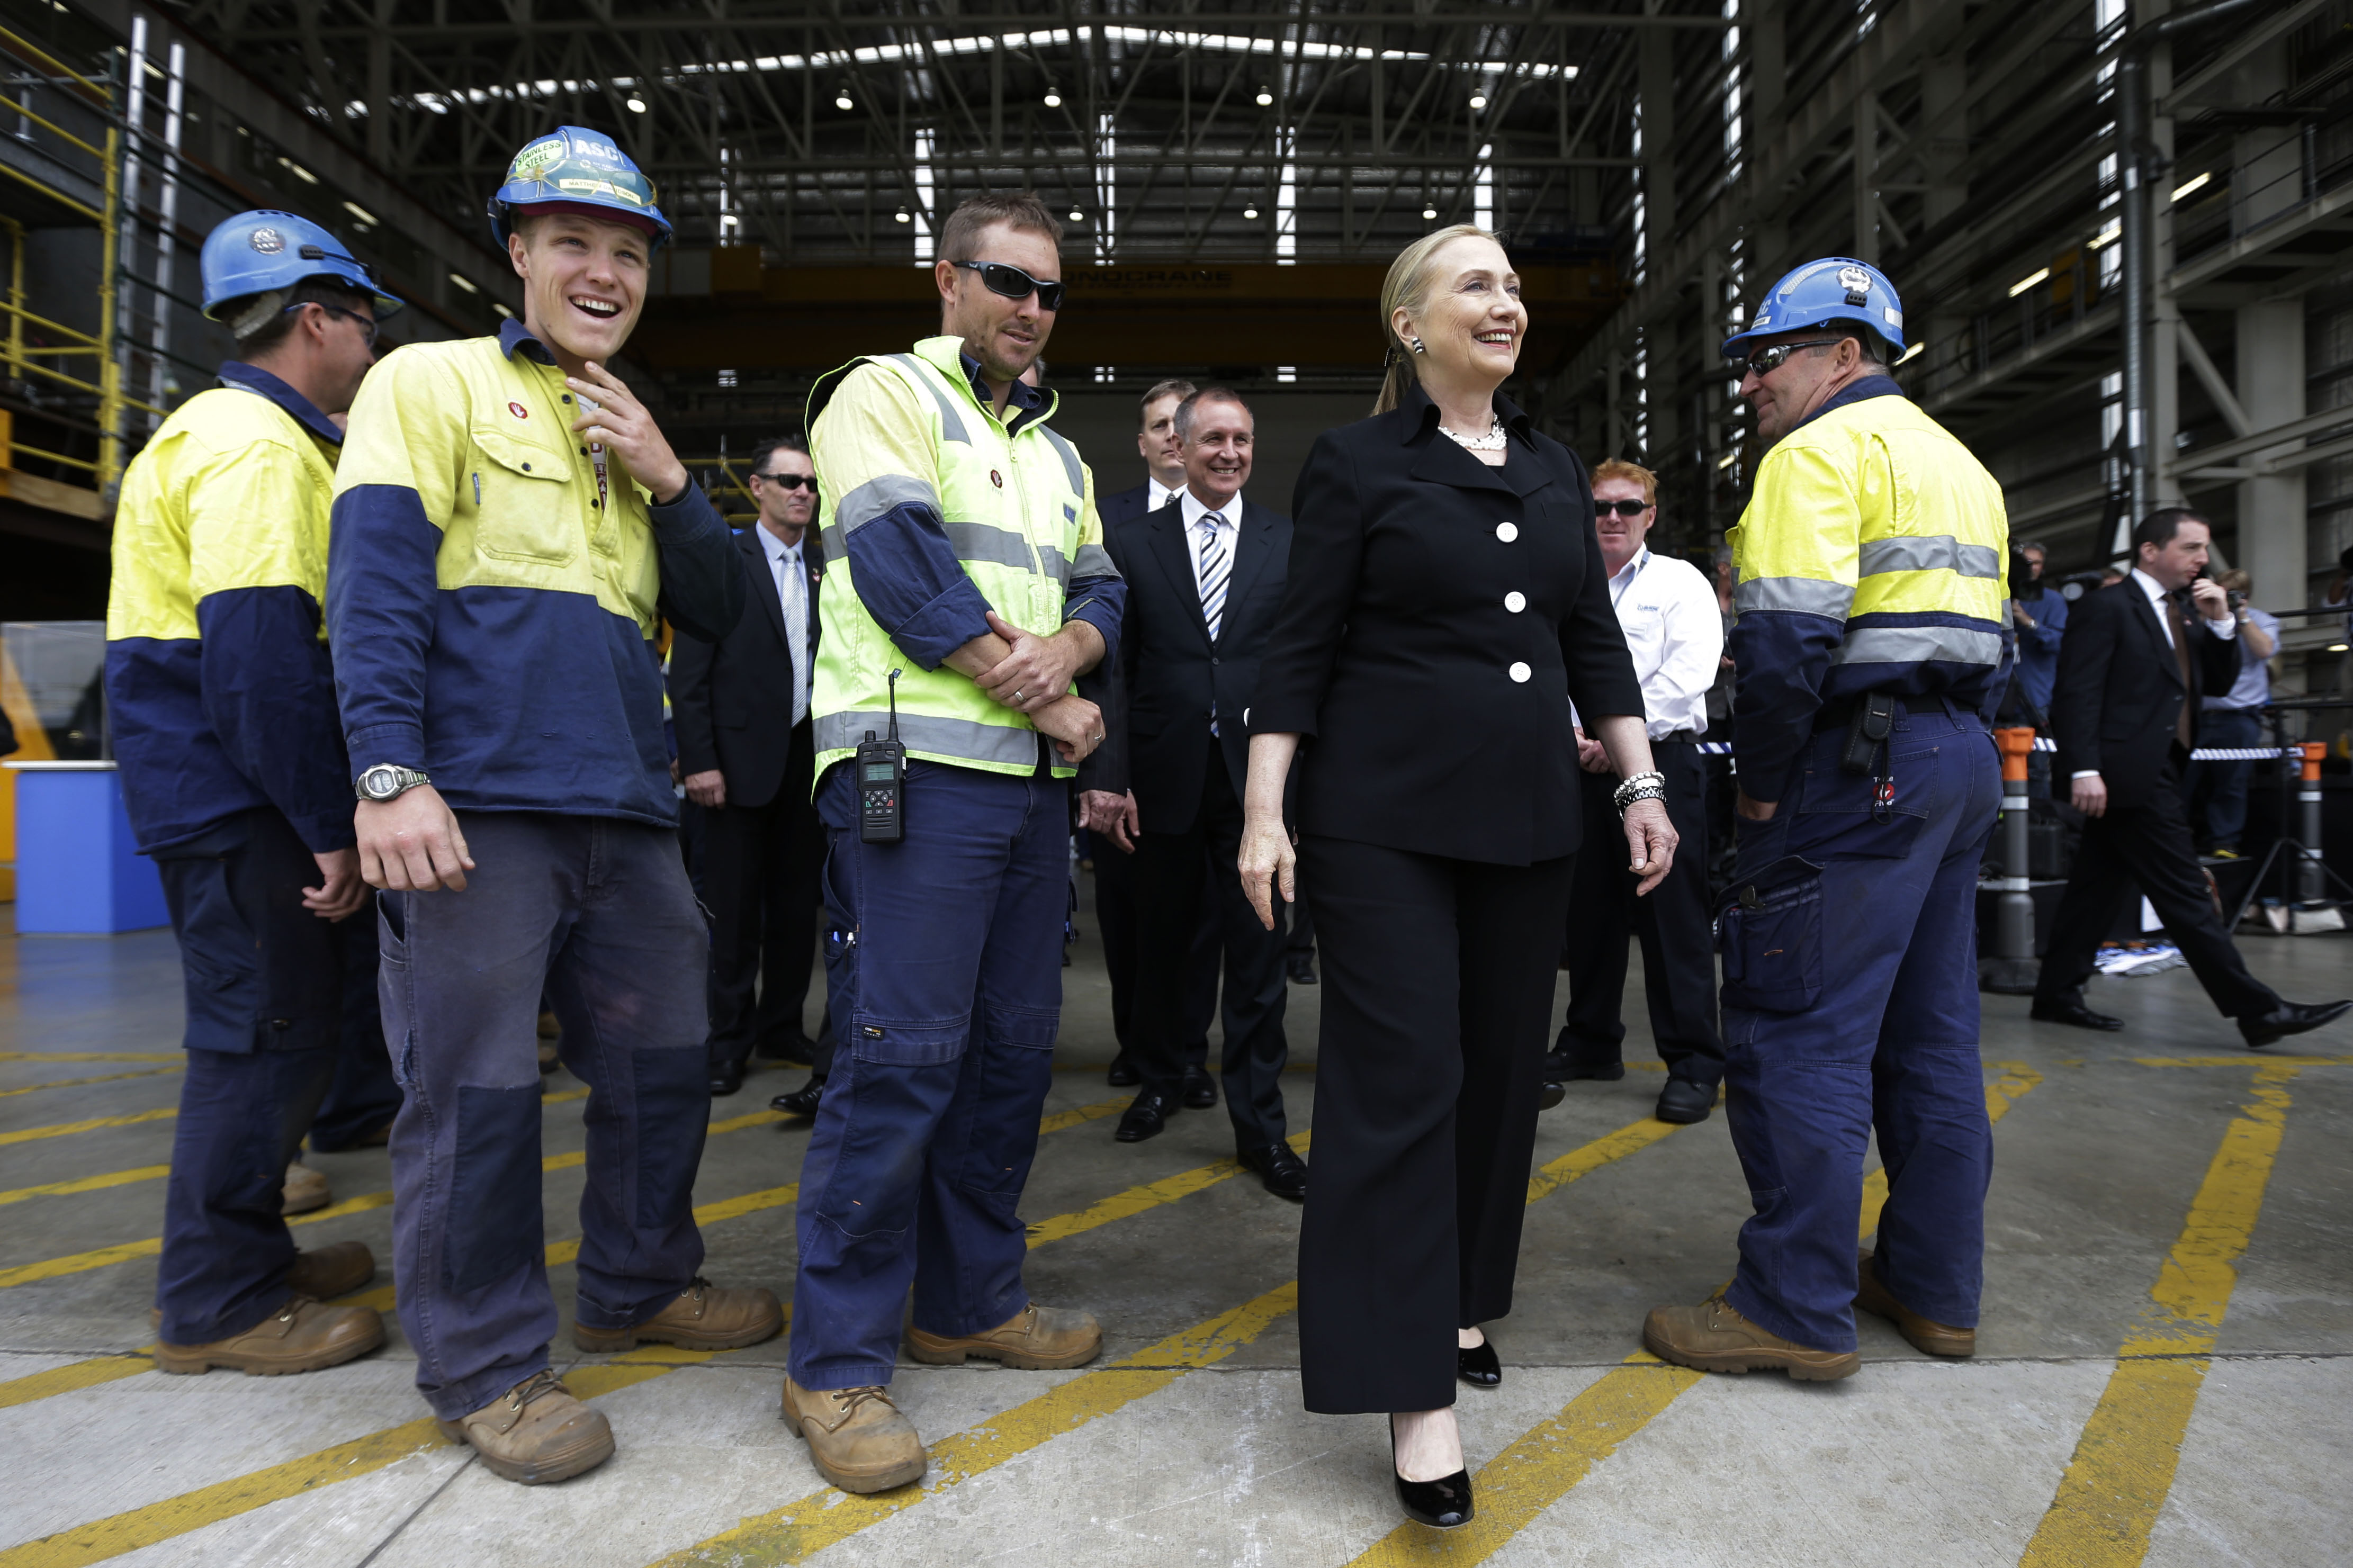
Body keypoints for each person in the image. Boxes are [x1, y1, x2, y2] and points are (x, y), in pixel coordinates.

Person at [328, 126, 777, 1486]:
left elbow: (721, 618)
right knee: (474, 1091)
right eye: (572, 243)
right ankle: (484, 1361)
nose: (601, 271)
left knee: (661, 1061)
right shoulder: (432, 384)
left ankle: (638, 1279)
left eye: (628, 253)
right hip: (481, 812)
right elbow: (375, 592)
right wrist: (387, 774)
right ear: (516, 253)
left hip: (625, 811)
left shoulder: (626, 423)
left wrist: (669, 480)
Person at [1240, 225, 1668, 1530]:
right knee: (1400, 1078)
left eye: (1513, 287)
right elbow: (1297, 646)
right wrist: (1265, 814)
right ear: (1407, 323)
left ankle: (1463, 1299)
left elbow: (1588, 638)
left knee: (1497, 1073)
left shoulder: (1546, 467)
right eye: (1475, 283)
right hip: (1380, 826)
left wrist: (1640, 783)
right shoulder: (1357, 463)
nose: (1506, 302)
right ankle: (1408, 1386)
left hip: (1528, 817)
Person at [782, 191, 1123, 1497]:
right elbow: (894, 561)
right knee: (896, 1053)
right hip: (901, 773)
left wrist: (1074, 649)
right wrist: (1040, 683)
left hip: (1027, 793)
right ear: (945, 279)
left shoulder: (1057, 452)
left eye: (1047, 291)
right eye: (1006, 281)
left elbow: (1102, 587)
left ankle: (968, 1298)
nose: (1030, 309)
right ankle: (835, 1362)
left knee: (1005, 1053)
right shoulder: (878, 394)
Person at [1641, 258, 2008, 1385]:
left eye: (1766, 358)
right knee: (1932, 1035)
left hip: (1852, 766)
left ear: (1841, 355)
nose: (1748, 382)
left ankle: (1794, 1303)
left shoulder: (1811, 456)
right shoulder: (1959, 464)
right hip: (1950, 757)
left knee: (1793, 1022)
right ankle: (1933, 1286)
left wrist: (1757, 792)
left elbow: (1787, 648)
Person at [103, 209, 404, 1376]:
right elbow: (261, 656)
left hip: (224, 791)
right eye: (363, 318)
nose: (371, 343)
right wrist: (328, 825)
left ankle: (254, 1248)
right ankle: (217, 1296)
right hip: (240, 800)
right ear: (316, 317)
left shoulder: (223, 430)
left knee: (282, 1032)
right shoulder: (257, 446)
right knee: (259, 1042)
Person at [1088, 388, 1304, 1198]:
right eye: (1213, 438)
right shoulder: (1132, 542)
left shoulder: (1288, 541)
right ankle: (1159, 1080)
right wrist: (1113, 778)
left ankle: (1263, 1132)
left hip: (1260, 788)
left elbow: (1299, 661)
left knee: (1258, 960)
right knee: (1161, 951)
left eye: (1242, 439)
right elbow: (1116, 667)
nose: (1230, 452)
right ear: (1177, 445)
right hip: (1163, 778)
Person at [2031, 509, 2348, 1047]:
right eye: (2192, 548)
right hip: (2124, 773)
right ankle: (2257, 1010)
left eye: (2203, 549)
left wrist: (2223, 623)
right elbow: (2078, 693)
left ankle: (2056, 994)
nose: (2203, 559)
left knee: (2094, 891)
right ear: (2150, 551)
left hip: (2160, 768)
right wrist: (2084, 767)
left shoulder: (2184, 611)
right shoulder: (2106, 608)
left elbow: (2217, 682)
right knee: (2186, 895)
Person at [1553, 458, 1726, 1124]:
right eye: (1600, 508)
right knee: (1585, 912)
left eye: (1628, 507)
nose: (1613, 519)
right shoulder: (1564, 581)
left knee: (1670, 918)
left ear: (1651, 516)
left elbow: (1689, 674)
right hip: (1570, 763)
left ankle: (1693, 1062)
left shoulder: (1681, 583)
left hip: (1659, 767)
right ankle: (1592, 1040)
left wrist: (1613, 738)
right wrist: (1572, 735)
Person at [669, 435, 829, 1099]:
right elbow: (690, 674)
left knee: (797, 908)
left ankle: (781, 1026)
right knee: (732, 915)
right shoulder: (723, 559)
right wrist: (699, 760)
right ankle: (726, 1041)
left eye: (811, 484)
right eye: (788, 480)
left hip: (807, 761)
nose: (802, 493)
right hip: (732, 768)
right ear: (757, 487)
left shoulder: (828, 568)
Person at [1088, 377, 1220, 1097]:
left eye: (1185, 422)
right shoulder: (1106, 523)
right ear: (1142, 443)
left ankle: (1190, 1054)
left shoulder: (1230, 524)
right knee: (1127, 910)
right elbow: (1101, 658)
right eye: (1161, 425)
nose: (1174, 434)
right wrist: (1109, 769)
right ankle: (1136, 1043)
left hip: (1206, 761)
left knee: (1199, 921)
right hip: (1128, 756)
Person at [2186, 567, 2279, 857]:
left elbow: (2265, 651)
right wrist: (2210, 614)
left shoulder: (2262, 620)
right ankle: (2177, 837)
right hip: (2195, 715)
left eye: (2232, 595)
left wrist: (2241, 616)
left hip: (2238, 716)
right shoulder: (2199, 619)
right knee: (2182, 781)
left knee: (2232, 784)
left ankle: (2223, 841)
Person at [2008, 540, 2067, 724]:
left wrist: (2028, 622)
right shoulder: (1997, 594)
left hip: (2035, 698)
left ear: (2043, 568)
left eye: (2036, 563)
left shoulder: (2053, 600)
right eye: (2026, 562)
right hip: (1997, 697)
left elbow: (2059, 643)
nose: (2031, 567)